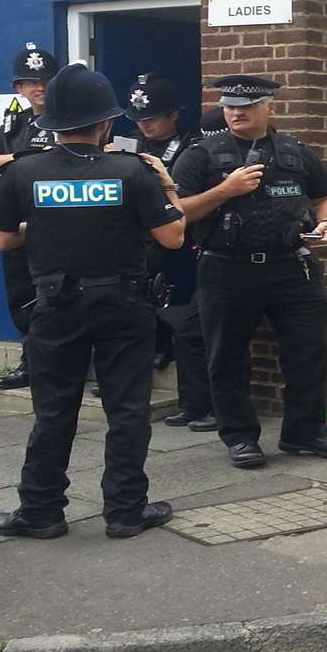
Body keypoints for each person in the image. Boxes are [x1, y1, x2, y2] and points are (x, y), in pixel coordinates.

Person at [0, 63, 186, 540]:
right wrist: (168, 185)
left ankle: (41, 511)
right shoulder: (131, 171)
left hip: (56, 306)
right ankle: (125, 511)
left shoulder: (23, 170)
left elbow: (0, 243)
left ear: (53, 122)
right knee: (127, 411)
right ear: (105, 123)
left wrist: (48, 223)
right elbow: (173, 237)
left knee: (53, 412)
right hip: (124, 307)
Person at [171, 75, 327, 469]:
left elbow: (326, 198)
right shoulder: (201, 155)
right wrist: (226, 190)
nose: (237, 112)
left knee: (308, 351)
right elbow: (177, 213)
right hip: (227, 268)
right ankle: (239, 437)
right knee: (227, 357)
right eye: (230, 106)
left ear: (268, 107)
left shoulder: (296, 152)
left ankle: (305, 431)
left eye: (247, 106)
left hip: (293, 266)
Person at [0, 43, 59, 389]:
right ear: (18, 87)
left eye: (46, 79)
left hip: (55, 227)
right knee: (21, 299)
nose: (39, 87)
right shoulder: (13, 125)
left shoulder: (70, 122)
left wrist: (12, 162)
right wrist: (22, 160)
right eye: (30, 82)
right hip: (14, 227)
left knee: (55, 300)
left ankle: (56, 367)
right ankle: (30, 364)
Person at [127, 74, 217, 432]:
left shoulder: (192, 146)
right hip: (136, 243)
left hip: (179, 243)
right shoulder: (124, 143)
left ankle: (196, 402)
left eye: (152, 117)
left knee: (187, 324)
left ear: (174, 115)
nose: (144, 124)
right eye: (139, 118)